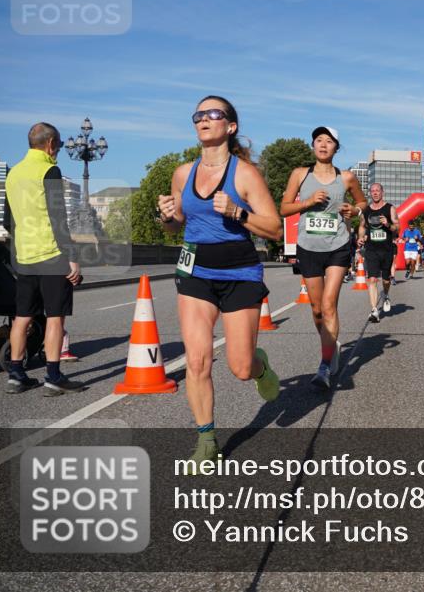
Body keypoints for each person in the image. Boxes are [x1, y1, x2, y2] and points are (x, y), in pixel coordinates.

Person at [157, 96, 283, 466]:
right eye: (199, 114)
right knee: (196, 362)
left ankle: (260, 365)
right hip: (195, 271)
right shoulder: (183, 173)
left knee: (240, 367)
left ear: (230, 126)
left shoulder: (245, 174)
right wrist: (165, 215)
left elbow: (274, 228)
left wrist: (237, 211)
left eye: (214, 114)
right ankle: (206, 439)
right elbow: (175, 222)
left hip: (240, 272)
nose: (204, 119)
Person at [280, 126, 366, 390]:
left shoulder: (347, 178)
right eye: (319, 140)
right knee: (316, 309)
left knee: (329, 305)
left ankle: (325, 365)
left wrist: (355, 211)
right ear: (313, 145)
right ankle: (331, 345)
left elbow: (362, 205)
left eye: (329, 141)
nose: (323, 145)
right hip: (308, 246)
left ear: (336, 148)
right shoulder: (300, 175)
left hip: (338, 245)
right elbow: (283, 209)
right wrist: (306, 203)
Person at [3, 122, 85, 396]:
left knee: (22, 317)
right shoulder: (49, 169)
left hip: (23, 256)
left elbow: (7, 219)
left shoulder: (13, 173)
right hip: (51, 255)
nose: (59, 151)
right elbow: (57, 216)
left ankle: (16, 374)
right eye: (60, 146)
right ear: (50, 144)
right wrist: (71, 257)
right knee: (55, 318)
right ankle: (52, 376)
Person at [359, 183, 399, 323]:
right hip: (371, 249)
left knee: (386, 279)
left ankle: (386, 295)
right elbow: (362, 226)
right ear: (370, 193)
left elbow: (397, 227)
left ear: (382, 192)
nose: (375, 193)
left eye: (377, 191)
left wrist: (388, 224)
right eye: (372, 191)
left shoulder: (390, 208)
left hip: (386, 249)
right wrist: (360, 237)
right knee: (372, 279)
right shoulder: (366, 210)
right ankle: (374, 310)